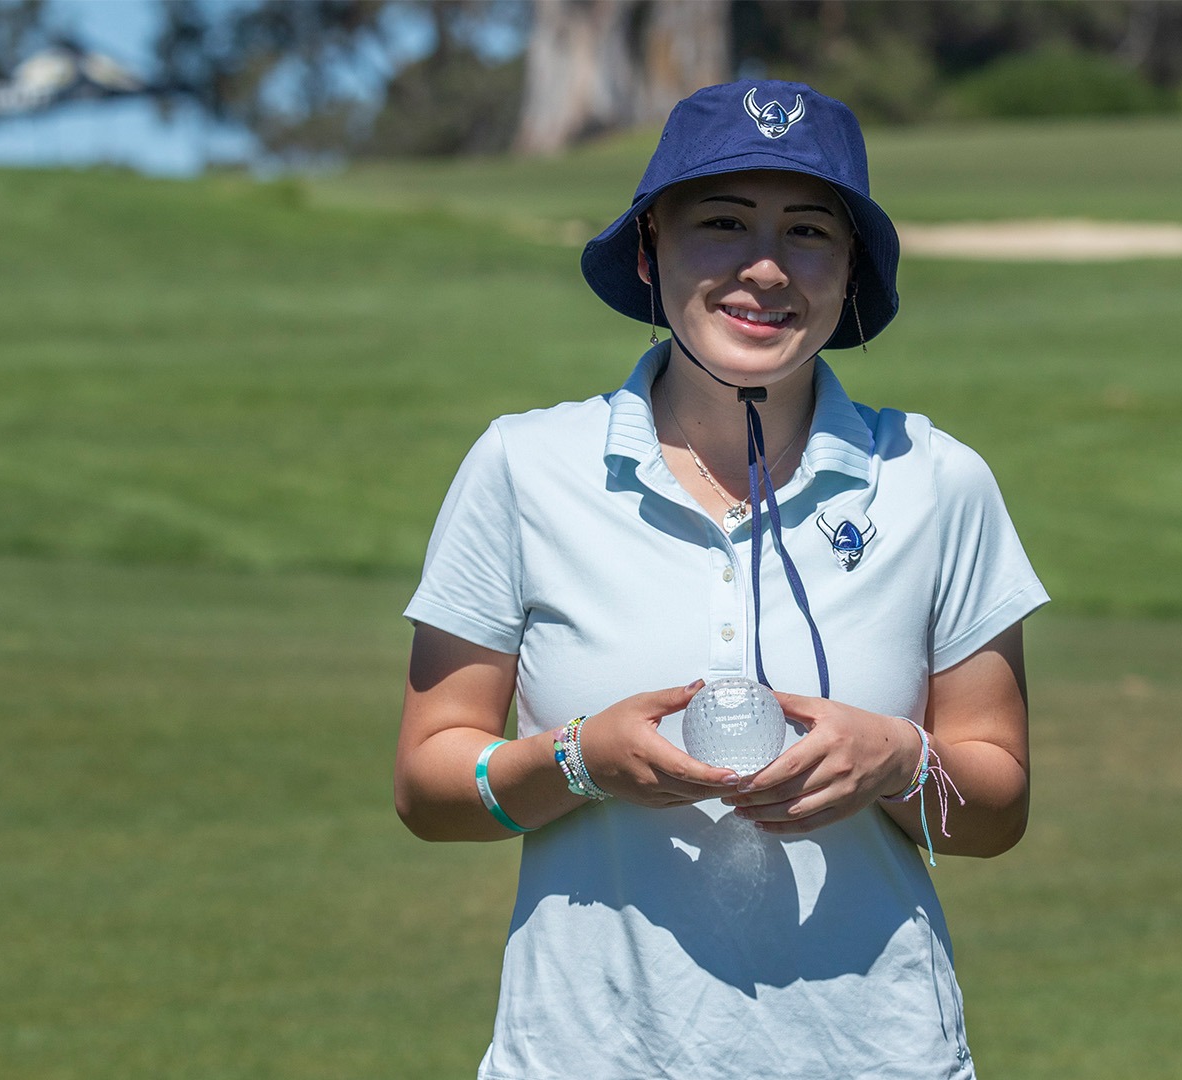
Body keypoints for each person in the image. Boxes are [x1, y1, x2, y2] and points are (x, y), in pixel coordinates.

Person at [395, 80, 1048, 1079]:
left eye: (808, 231)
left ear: (852, 267)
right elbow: (430, 785)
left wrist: (899, 762)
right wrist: (577, 760)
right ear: (651, 250)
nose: (764, 267)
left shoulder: (936, 478)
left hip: (878, 1056)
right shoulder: (523, 468)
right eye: (722, 223)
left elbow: (996, 808)